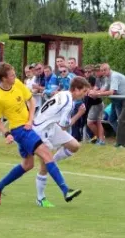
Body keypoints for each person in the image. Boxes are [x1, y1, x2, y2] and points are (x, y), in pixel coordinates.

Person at [0, 63, 82, 206]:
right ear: (3, 78)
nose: (15, 77)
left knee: (28, 164)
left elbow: (31, 100)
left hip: (30, 126)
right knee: (47, 155)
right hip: (20, 130)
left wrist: (31, 120)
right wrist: (6, 133)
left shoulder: (17, 83)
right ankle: (65, 190)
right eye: (12, 75)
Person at [32, 76, 90, 207]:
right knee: (44, 166)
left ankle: (52, 161)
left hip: (51, 126)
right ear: (75, 89)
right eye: (84, 91)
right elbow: (65, 126)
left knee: (74, 146)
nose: (85, 94)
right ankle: (40, 198)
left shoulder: (64, 93)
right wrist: (79, 114)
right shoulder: (69, 103)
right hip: (41, 131)